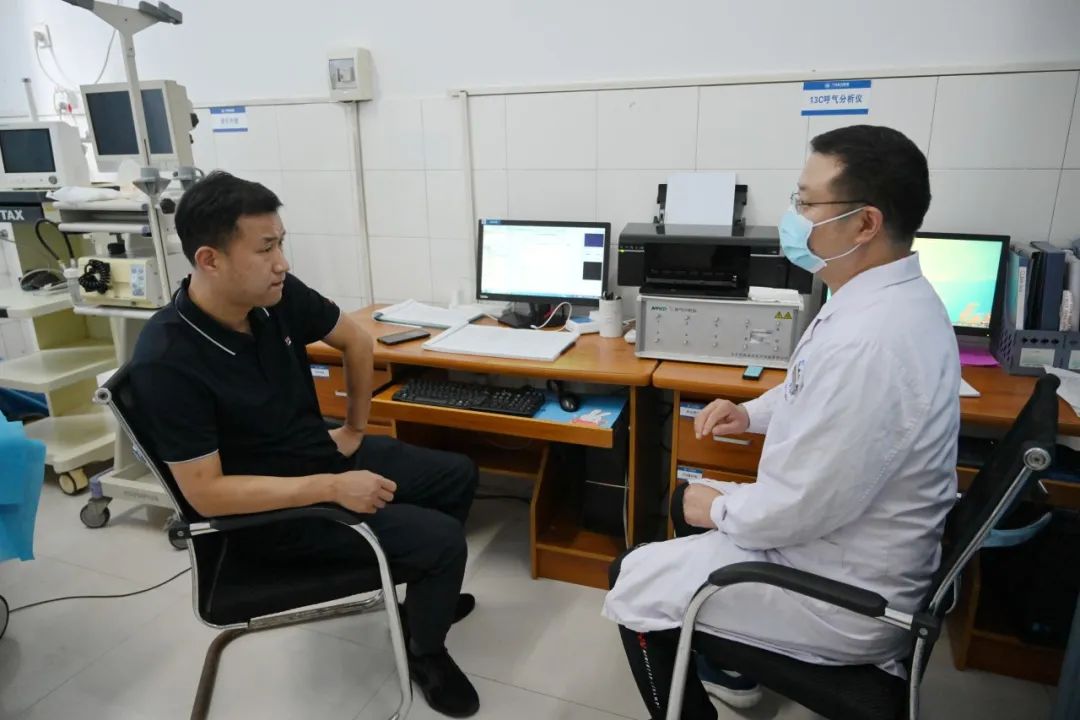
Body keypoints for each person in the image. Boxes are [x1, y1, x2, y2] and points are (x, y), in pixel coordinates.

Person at [604, 125, 960, 719]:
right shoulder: (882, 298)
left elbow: (799, 508)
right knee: (685, 509)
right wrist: (749, 412)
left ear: (865, 223)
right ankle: (730, 662)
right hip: (842, 541)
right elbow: (810, 388)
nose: (793, 217)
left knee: (632, 579)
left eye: (806, 202)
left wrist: (718, 507)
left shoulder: (870, 342)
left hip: (841, 594)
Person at [129, 171, 481, 718]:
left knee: (456, 474)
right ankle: (425, 650)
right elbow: (206, 494)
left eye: (281, 244)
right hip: (270, 516)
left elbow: (356, 340)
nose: (282, 263)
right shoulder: (168, 359)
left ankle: (422, 600)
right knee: (441, 540)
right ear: (210, 260)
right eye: (265, 248)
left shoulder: (274, 297)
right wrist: (332, 488)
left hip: (317, 461)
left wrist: (355, 430)